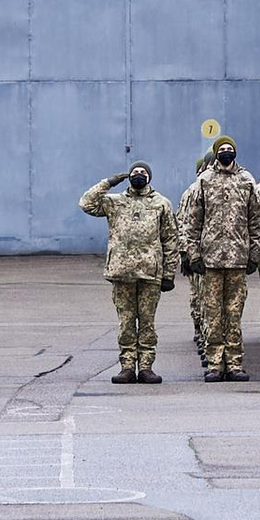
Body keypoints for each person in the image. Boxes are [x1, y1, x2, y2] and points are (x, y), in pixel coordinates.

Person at [80, 161, 178, 385]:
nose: (139, 175)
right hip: (122, 272)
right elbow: (86, 203)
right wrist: (108, 182)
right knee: (125, 322)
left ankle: (146, 367)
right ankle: (126, 367)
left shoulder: (161, 203)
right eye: (135, 172)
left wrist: (169, 273)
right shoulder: (115, 202)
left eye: (143, 173)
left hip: (150, 274)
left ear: (150, 178)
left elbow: (171, 239)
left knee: (147, 323)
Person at [177, 136, 260, 381]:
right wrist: (193, 255)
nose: (226, 152)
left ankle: (234, 363)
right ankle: (215, 363)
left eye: (230, 149)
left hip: (237, 259)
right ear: (215, 154)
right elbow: (192, 222)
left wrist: (253, 254)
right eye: (222, 149)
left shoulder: (246, 180)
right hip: (211, 260)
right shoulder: (205, 181)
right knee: (213, 314)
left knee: (234, 314)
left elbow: (256, 220)